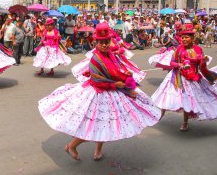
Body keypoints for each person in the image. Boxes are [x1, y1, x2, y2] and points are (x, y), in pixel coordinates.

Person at [38, 22, 160, 161]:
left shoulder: (110, 54)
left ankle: (98, 151)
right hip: (98, 92)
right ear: (96, 42)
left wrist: (124, 75)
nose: (105, 45)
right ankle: (71, 146)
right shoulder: (95, 59)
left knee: (104, 125)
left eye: (107, 42)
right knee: (90, 126)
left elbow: (115, 70)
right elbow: (97, 81)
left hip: (111, 91)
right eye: (102, 42)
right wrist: (117, 84)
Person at [152, 23, 217, 131]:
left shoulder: (198, 49)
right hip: (178, 77)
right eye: (182, 37)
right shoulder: (179, 49)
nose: (184, 39)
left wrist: (204, 62)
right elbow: (171, 63)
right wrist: (180, 65)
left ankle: (185, 122)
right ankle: (159, 116)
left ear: (193, 38)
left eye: (186, 37)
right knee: (167, 97)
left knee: (187, 101)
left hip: (193, 79)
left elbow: (201, 67)